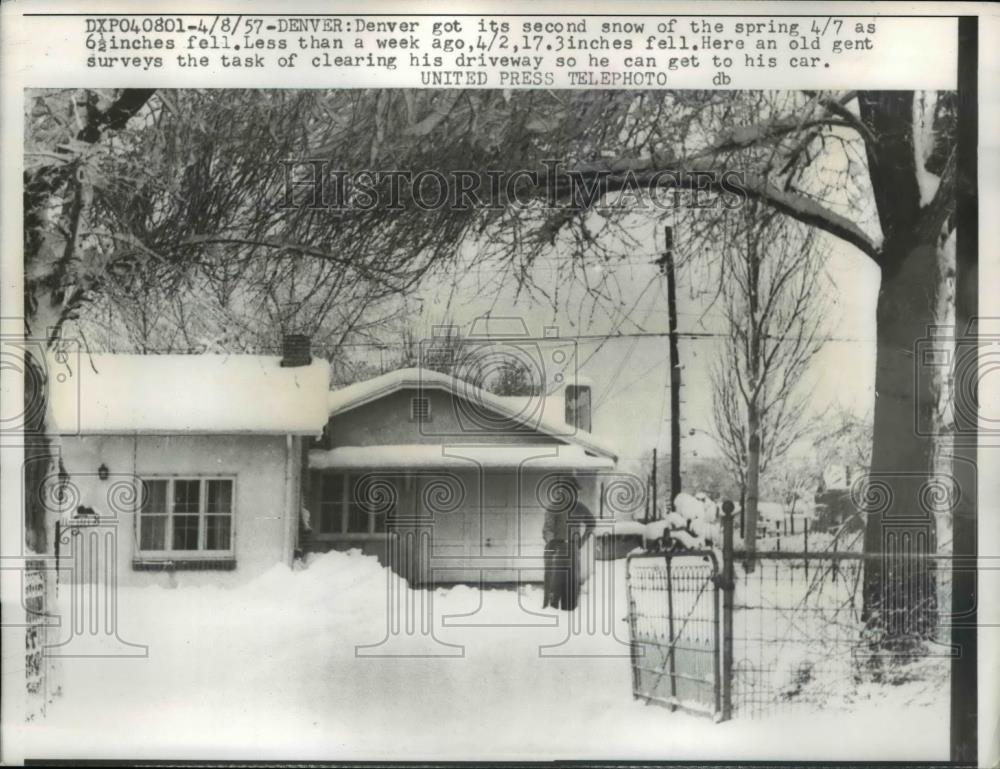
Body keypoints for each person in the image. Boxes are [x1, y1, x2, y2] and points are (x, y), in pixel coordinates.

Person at [542, 474, 596, 611]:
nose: (571, 493)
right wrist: (552, 542)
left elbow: (591, 523)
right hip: (556, 549)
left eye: (574, 490)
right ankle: (551, 613)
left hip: (572, 549)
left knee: (572, 586)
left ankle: (570, 611)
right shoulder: (554, 507)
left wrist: (581, 542)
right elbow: (547, 529)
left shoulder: (579, 507)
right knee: (554, 585)